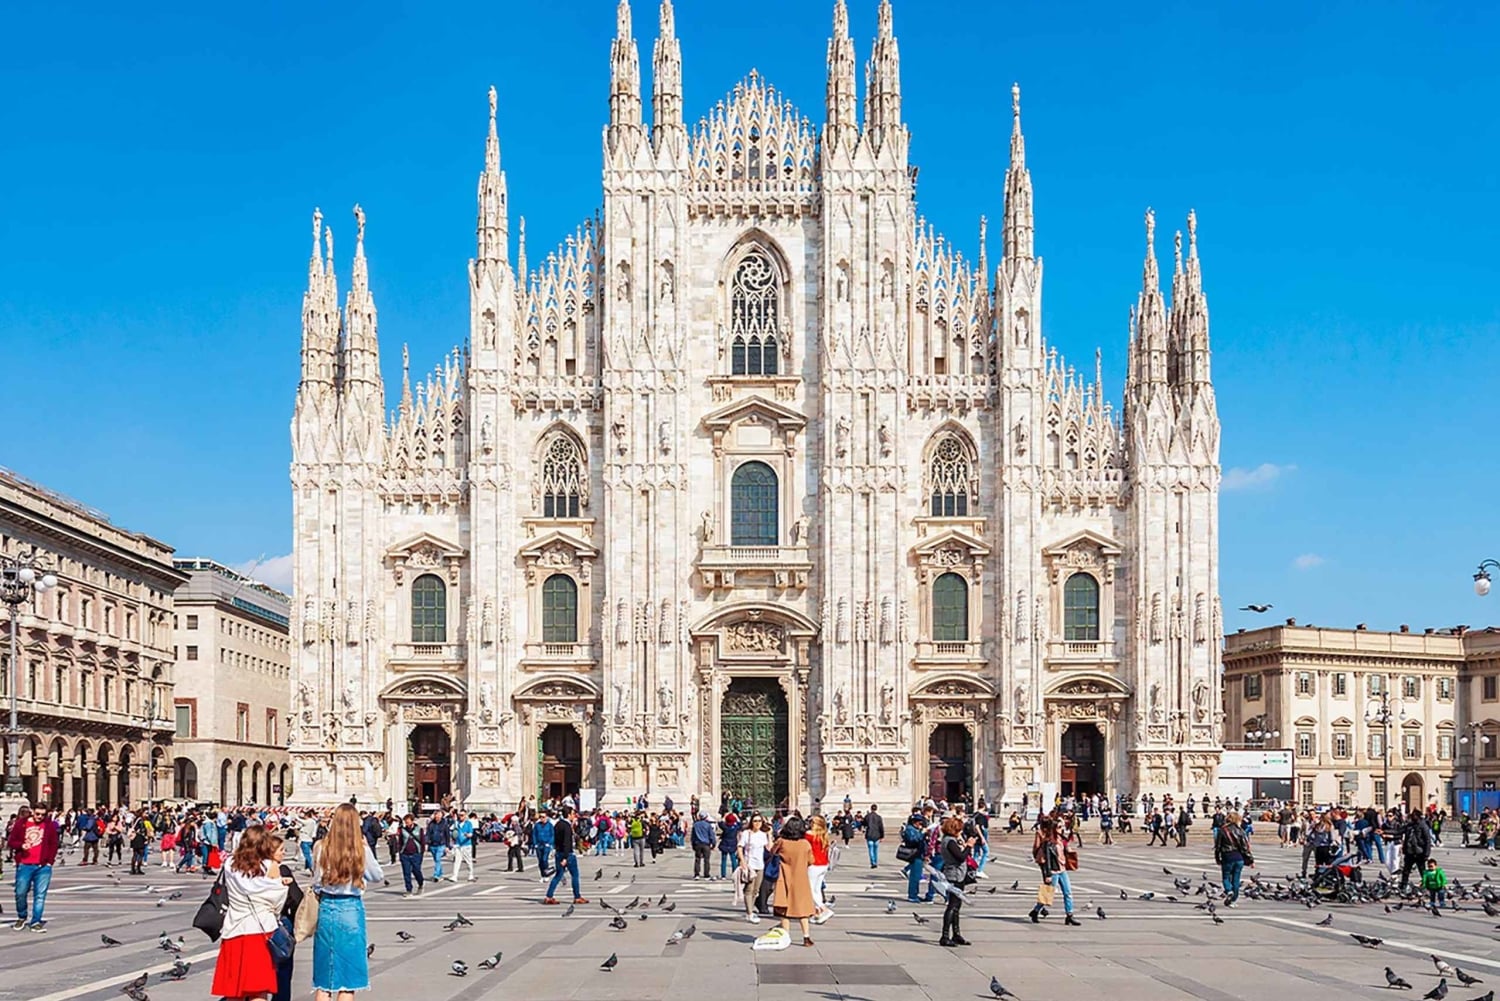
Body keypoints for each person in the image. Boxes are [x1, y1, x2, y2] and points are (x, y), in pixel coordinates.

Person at [311, 803, 385, 1001]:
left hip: (326, 908)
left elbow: (316, 882)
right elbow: (377, 876)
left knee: (324, 981)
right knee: (348, 981)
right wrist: (366, 850)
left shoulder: (320, 847)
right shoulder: (360, 849)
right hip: (351, 909)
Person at [210, 826, 290, 1001]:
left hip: (235, 929)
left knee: (234, 991)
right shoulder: (270, 866)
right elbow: (277, 902)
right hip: (261, 931)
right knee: (259, 991)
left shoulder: (230, 864)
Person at [8, 806, 59, 931]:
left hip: (42, 866)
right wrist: (21, 845)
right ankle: (22, 916)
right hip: (25, 864)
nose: (40, 817)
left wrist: (49, 862)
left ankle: (36, 921)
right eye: (37, 814)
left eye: (43, 814)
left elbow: (54, 843)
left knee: (40, 895)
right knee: (20, 892)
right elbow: (11, 841)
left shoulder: (49, 825)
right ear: (32, 812)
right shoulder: (22, 823)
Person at [768, 816, 816, 946]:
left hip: (784, 877)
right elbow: (811, 861)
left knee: (784, 909)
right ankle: (806, 937)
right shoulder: (805, 844)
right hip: (801, 878)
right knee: (803, 909)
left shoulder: (782, 841)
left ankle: (786, 935)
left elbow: (772, 851)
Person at [1028, 816, 1079, 926]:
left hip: (1062, 869)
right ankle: (1035, 911)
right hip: (1053, 871)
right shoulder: (1048, 843)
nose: (1062, 829)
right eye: (1059, 827)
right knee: (1048, 894)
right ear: (1054, 829)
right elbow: (1047, 860)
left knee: (1068, 892)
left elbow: (1066, 846)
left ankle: (1069, 915)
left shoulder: (1060, 840)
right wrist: (1048, 874)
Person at [271, 837, 304, 1001]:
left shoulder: (250, 870)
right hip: (280, 922)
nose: (284, 853)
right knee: (283, 971)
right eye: (281, 850)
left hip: (254, 925)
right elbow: (297, 898)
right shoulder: (281, 870)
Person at [937, 815, 975, 947]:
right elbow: (961, 857)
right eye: (959, 829)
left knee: (957, 905)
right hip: (955, 875)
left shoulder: (949, 840)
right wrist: (969, 846)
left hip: (956, 874)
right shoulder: (950, 841)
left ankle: (956, 934)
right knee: (953, 905)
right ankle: (945, 935)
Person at [543, 806, 588, 905]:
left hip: (559, 852)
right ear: (568, 815)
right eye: (572, 814)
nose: (574, 815)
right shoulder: (566, 826)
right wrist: (566, 857)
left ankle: (549, 896)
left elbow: (556, 840)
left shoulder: (558, 824)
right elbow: (567, 842)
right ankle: (577, 896)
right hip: (567, 854)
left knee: (558, 875)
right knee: (575, 875)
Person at [1213, 811, 1254, 906]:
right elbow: (1245, 847)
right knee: (1236, 879)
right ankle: (1233, 900)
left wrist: (1217, 858)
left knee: (1226, 877)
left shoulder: (1222, 830)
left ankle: (1228, 890)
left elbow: (1217, 846)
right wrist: (1250, 859)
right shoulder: (1240, 831)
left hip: (1227, 856)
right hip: (1239, 858)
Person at [738, 813, 771, 923]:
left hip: (760, 865)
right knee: (749, 889)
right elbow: (739, 847)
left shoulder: (763, 834)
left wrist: (770, 835)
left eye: (759, 821)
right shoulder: (746, 833)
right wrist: (743, 861)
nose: (757, 823)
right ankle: (750, 913)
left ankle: (750, 909)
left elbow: (769, 848)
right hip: (750, 864)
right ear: (751, 822)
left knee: (756, 890)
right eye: (755, 821)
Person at [1398, 809, 1434, 892]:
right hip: (1409, 852)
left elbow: (1427, 840)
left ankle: (1427, 885)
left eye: (1414, 816)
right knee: (1406, 871)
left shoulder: (1423, 826)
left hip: (1419, 852)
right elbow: (1399, 831)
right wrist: (1384, 831)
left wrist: (1426, 853)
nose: (1412, 817)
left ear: (1418, 816)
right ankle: (1403, 885)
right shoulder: (1410, 825)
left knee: (1422, 871)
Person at [807, 814, 833, 922]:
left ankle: (824, 908)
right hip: (824, 864)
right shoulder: (824, 835)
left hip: (814, 864)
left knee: (810, 889)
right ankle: (818, 912)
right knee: (817, 889)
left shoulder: (809, 835)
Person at [899, 812, 928, 903]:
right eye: (919, 822)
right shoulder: (910, 829)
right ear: (914, 822)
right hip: (915, 854)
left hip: (919, 854)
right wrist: (922, 833)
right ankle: (912, 895)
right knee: (915, 876)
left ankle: (915, 893)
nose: (920, 824)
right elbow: (913, 839)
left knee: (917, 875)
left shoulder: (915, 829)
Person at [396, 814, 425, 897]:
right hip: (405, 854)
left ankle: (421, 883)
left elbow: (422, 841)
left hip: (416, 853)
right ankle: (409, 890)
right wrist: (400, 853)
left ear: (412, 821)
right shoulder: (402, 830)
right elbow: (400, 842)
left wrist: (422, 852)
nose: (407, 824)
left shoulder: (419, 829)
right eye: (406, 822)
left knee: (416, 870)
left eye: (408, 822)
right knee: (406, 872)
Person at [452, 811, 477, 882]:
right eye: (459, 815)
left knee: (468, 861)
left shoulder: (468, 823)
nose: (461, 817)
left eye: (462, 815)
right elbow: (453, 831)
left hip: (466, 844)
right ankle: (454, 876)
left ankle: (470, 875)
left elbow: (471, 833)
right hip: (458, 844)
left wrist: (468, 835)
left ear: (465, 816)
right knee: (457, 861)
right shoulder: (456, 823)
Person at [691, 812, 715, 880]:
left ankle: (697, 874)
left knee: (697, 859)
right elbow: (711, 835)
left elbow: (693, 836)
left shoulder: (695, 825)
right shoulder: (708, 825)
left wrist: (693, 844)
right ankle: (706, 874)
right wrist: (713, 843)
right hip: (706, 844)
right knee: (706, 860)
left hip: (698, 843)